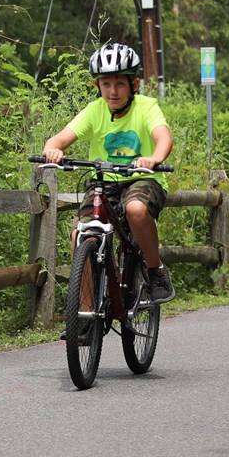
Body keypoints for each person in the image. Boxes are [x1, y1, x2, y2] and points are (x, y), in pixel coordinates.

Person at [42, 41, 176, 309]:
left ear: (134, 85)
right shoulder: (94, 111)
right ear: (97, 86)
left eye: (120, 84)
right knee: (81, 236)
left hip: (142, 179)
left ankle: (155, 272)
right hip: (103, 183)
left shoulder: (146, 107)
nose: (112, 91)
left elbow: (163, 138)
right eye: (106, 84)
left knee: (136, 209)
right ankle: (85, 312)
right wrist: (53, 150)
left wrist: (154, 158)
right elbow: (56, 140)